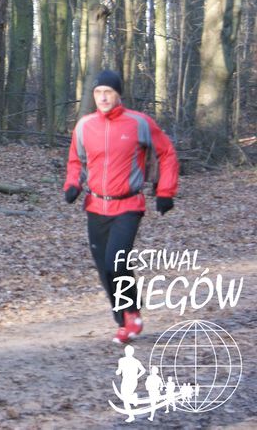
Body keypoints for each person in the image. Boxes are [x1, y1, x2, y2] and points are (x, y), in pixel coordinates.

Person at [64, 69, 179, 344]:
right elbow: (76, 161)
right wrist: (73, 184)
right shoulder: (84, 126)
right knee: (105, 269)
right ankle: (124, 320)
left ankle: (132, 312)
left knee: (116, 260)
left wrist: (165, 191)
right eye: (98, 93)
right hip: (95, 206)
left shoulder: (139, 123)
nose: (103, 98)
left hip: (128, 204)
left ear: (118, 95)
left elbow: (167, 152)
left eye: (108, 92)